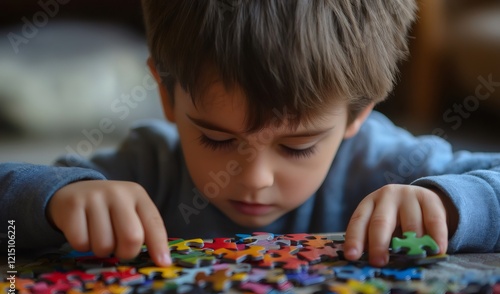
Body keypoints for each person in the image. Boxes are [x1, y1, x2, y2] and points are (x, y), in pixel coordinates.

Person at [1, 0, 499, 268]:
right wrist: (55, 199)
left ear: (357, 115)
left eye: (298, 146)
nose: (254, 178)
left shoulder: (388, 163)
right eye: (217, 139)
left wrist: (454, 203)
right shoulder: (146, 168)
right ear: (168, 95)